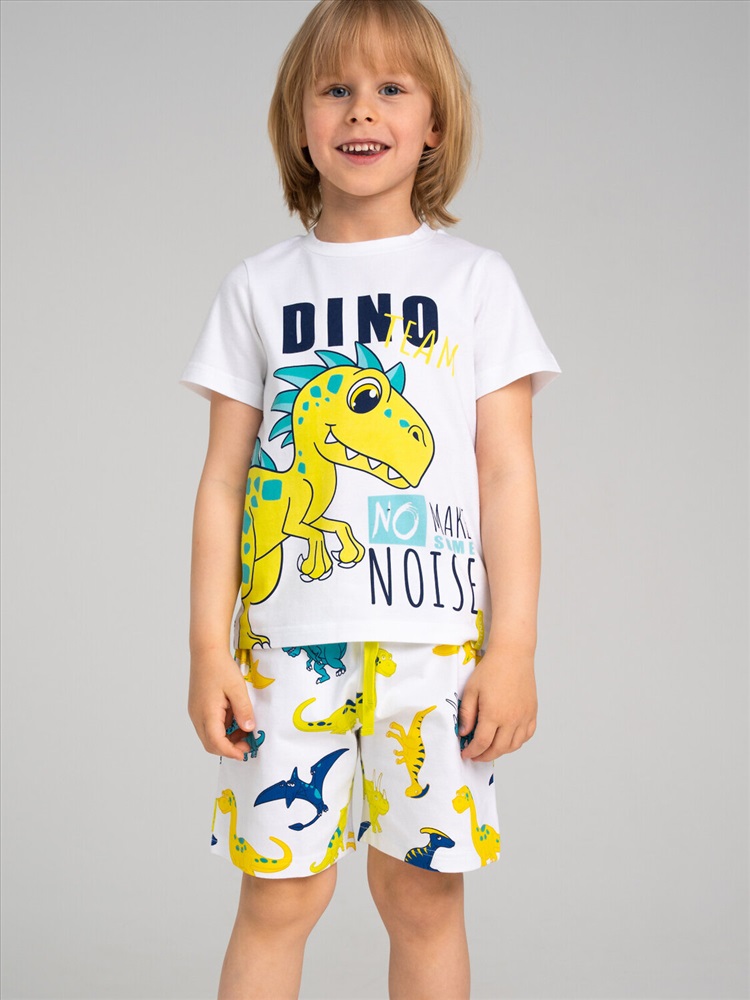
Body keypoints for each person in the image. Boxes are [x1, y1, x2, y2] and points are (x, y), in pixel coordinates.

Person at [179, 1, 561, 996]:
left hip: (436, 646)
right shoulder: (259, 288)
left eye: (392, 87)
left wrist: (513, 647)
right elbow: (224, 479)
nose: (362, 109)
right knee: (277, 899)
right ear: (299, 121)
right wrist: (209, 648)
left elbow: (507, 472)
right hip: (284, 642)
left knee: (423, 897)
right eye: (336, 88)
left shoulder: (477, 283)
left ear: (434, 123)